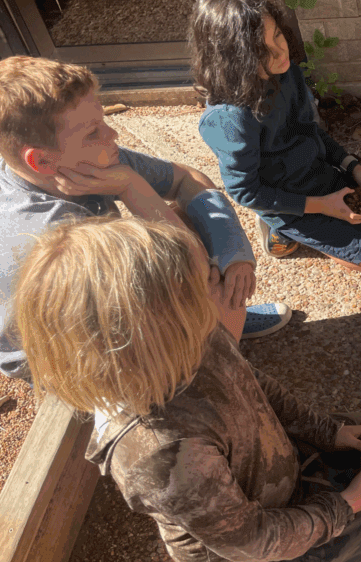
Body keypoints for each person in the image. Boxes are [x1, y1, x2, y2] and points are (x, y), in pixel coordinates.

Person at [14, 216, 361, 562]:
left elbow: (253, 384)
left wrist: (329, 433)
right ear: (156, 325)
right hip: (251, 548)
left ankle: (304, 535)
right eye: (206, 282)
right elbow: (256, 539)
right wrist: (349, 504)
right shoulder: (161, 453)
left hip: (273, 464)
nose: (220, 287)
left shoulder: (191, 333)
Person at [0, 55, 290, 379]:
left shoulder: (79, 158)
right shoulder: (51, 232)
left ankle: (219, 326)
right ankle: (217, 370)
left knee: (196, 224)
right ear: (41, 161)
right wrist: (131, 185)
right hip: (77, 362)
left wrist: (231, 249)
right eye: (93, 131)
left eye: (103, 119)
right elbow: (192, 269)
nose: (113, 134)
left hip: (108, 307)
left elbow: (189, 179)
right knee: (211, 289)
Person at [190, 0, 361, 274]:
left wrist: (351, 166)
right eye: (262, 50)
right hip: (287, 202)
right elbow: (245, 191)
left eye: (278, 35)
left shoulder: (287, 73)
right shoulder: (229, 118)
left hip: (317, 177)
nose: (281, 52)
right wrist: (324, 206)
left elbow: (310, 130)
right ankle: (278, 228)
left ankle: (328, 228)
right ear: (234, 59)